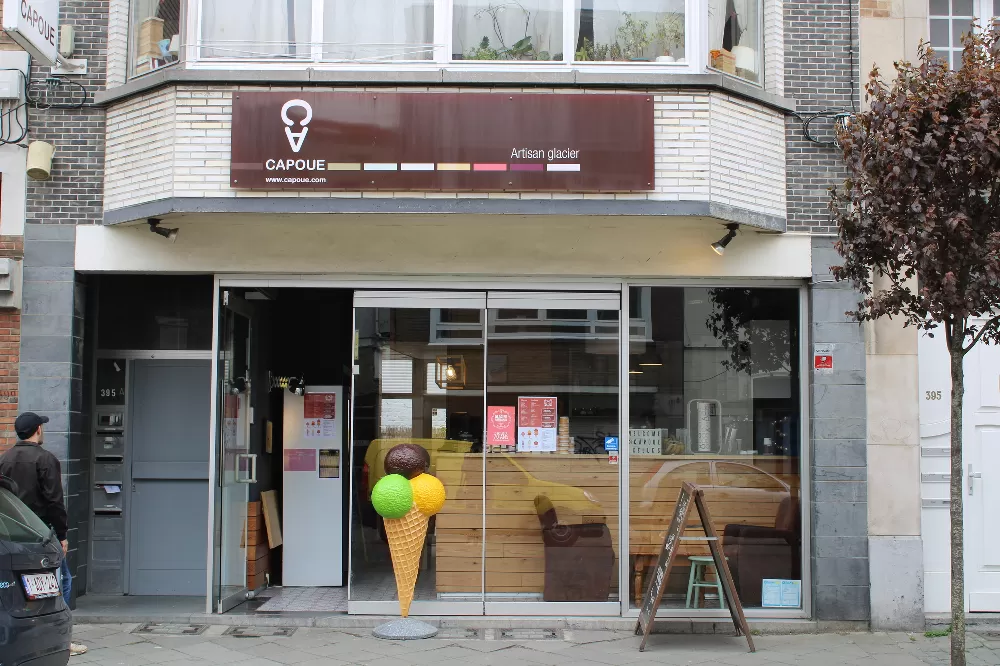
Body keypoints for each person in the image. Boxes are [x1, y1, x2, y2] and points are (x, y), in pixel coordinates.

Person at [0, 412, 87, 657]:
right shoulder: (46, 459)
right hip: (41, 535)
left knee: (22, 585)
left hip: (14, 535)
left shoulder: (4, 459)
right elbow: (54, 501)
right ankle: (61, 637)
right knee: (62, 580)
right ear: (38, 429)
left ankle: (33, 633)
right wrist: (62, 535)